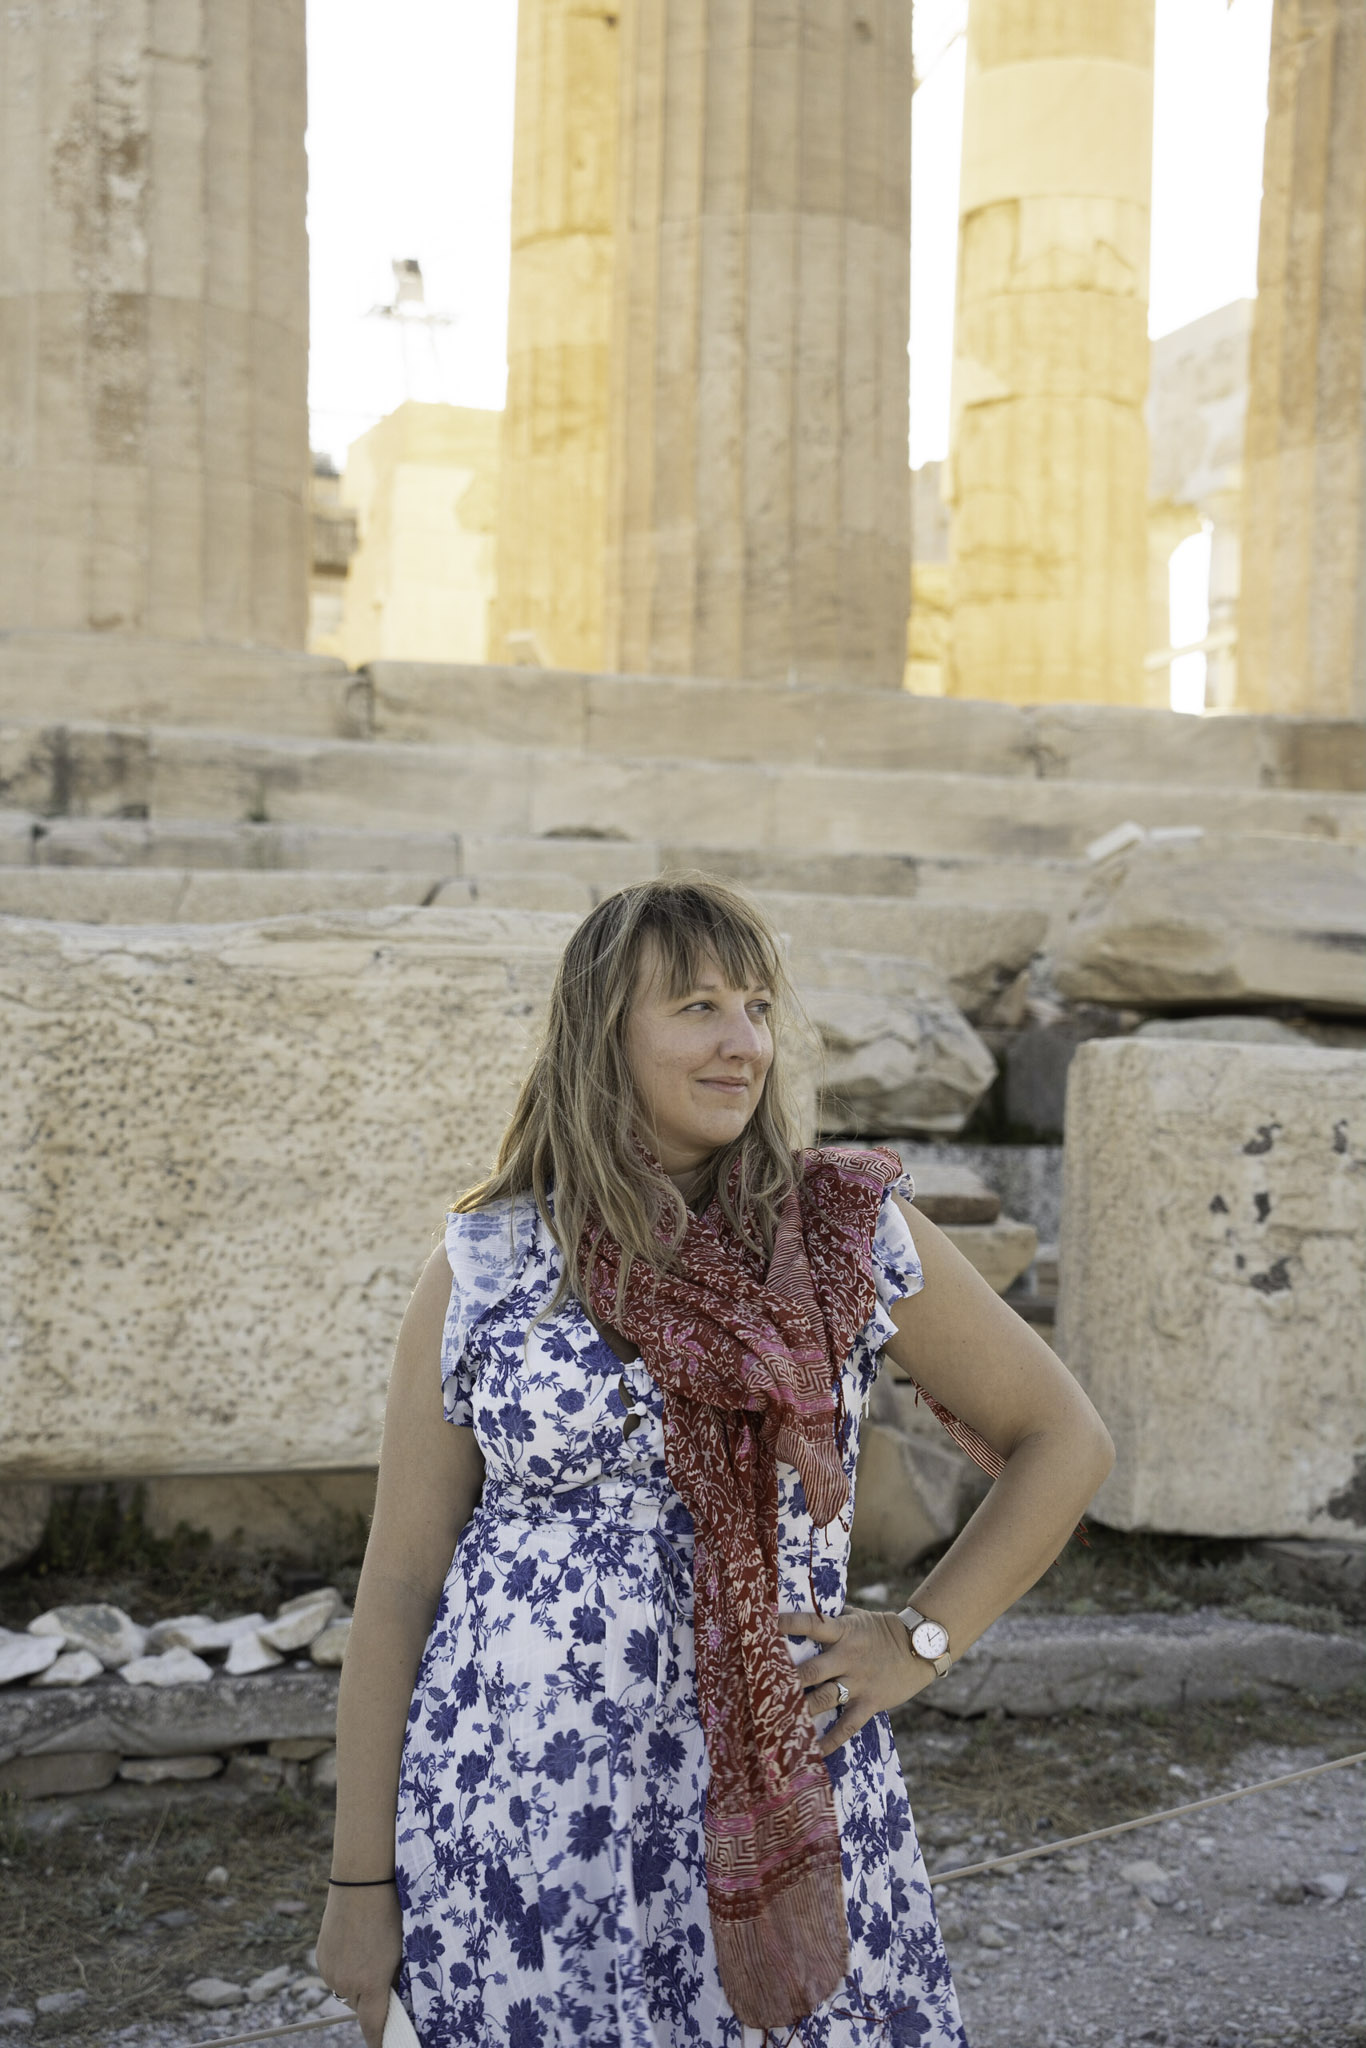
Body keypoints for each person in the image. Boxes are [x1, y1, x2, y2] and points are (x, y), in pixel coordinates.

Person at [315, 877, 1114, 2048]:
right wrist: (357, 1881)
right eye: (697, 1006)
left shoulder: (844, 1227)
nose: (744, 1041)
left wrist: (918, 1639)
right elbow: (397, 1584)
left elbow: (1066, 1438)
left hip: (769, 1802)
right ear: (605, 1033)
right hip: (516, 1819)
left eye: (756, 1005)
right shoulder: (489, 1259)